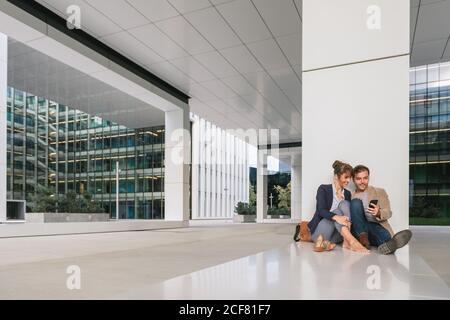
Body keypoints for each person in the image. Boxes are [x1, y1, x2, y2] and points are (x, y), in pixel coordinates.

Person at [307, 161, 369, 253]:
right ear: (336, 176)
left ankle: (346, 240)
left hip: (338, 235)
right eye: (346, 177)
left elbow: (348, 215)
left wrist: (342, 220)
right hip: (321, 231)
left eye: (350, 178)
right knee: (337, 212)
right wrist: (337, 217)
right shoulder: (323, 189)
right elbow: (321, 210)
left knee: (344, 204)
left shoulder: (347, 193)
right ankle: (351, 241)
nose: (348, 181)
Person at [350, 165, 412, 255]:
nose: (362, 182)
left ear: (369, 178)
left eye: (365, 178)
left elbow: (388, 212)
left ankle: (387, 245)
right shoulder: (350, 195)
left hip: (375, 226)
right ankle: (364, 239)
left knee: (385, 236)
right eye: (359, 179)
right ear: (353, 179)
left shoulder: (379, 192)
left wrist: (379, 213)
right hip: (359, 231)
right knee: (355, 203)